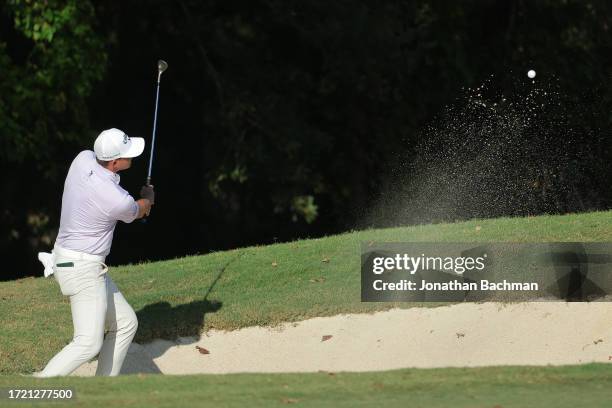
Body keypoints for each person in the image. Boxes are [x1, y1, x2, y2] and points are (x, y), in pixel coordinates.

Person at [34, 128, 155, 377]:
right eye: (127, 153)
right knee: (88, 342)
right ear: (114, 162)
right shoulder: (117, 199)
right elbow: (136, 209)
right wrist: (148, 200)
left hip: (70, 260)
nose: (132, 156)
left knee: (125, 323)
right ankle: (31, 392)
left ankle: (100, 392)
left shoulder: (83, 159)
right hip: (82, 269)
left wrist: (140, 203)